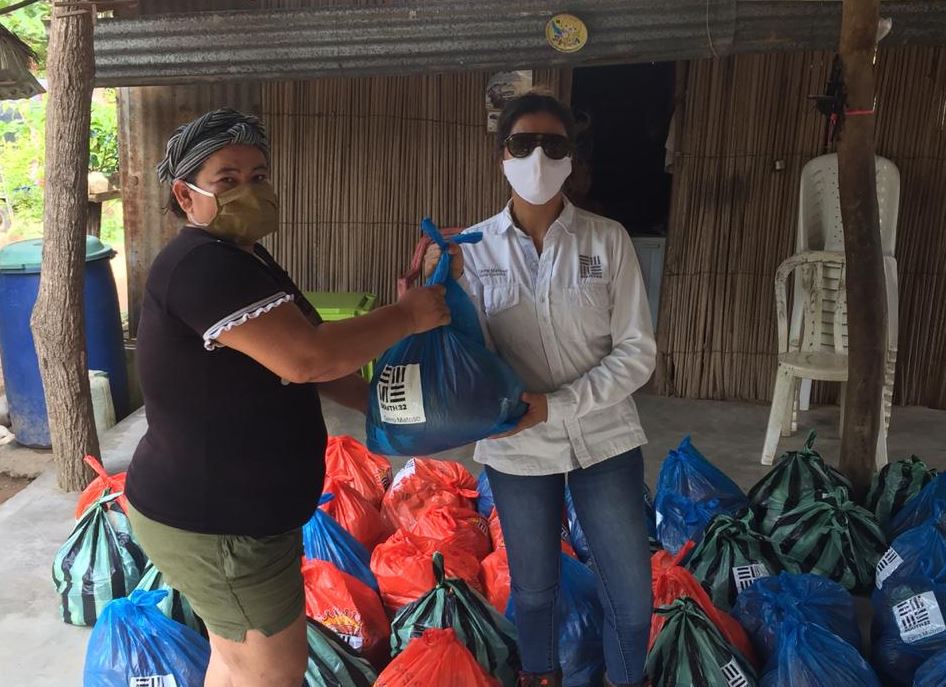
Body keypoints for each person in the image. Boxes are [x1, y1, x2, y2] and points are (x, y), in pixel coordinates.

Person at [124, 108, 449, 687]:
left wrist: (383, 414)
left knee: (238, 661)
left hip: (232, 516)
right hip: (219, 523)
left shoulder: (246, 259)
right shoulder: (201, 266)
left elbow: (315, 355)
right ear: (186, 193)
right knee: (272, 672)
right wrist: (405, 316)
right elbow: (307, 358)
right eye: (228, 178)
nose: (249, 189)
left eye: (259, 175)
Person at [425, 93, 656, 687]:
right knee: (533, 592)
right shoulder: (470, 252)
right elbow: (464, 360)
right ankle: (540, 677)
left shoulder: (607, 241)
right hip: (515, 447)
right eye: (522, 143)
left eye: (554, 145)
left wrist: (557, 405)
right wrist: (429, 292)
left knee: (630, 601)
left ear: (571, 159)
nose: (537, 158)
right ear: (502, 155)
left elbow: (637, 354)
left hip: (603, 438)